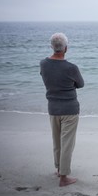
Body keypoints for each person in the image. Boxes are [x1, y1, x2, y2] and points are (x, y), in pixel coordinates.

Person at [40, 33, 84, 187]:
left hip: (53, 108)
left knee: (57, 140)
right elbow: (80, 84)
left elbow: (47, 78)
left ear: (52, 47)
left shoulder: (43, 64)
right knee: (67, 144)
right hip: (69, 109)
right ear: (66, 48)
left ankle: (59, 169)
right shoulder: (71, 68)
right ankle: (64, 177)